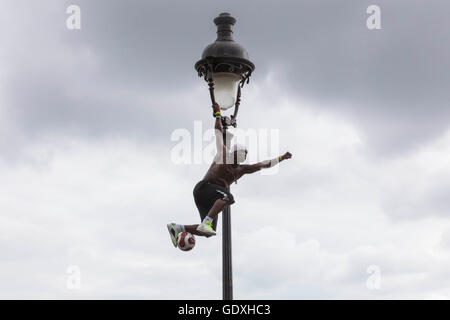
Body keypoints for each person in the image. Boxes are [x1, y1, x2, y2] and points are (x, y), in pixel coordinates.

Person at [167, 103, 292, 247]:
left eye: (245, 155)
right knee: (228, 197)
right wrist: (218, 113)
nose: (244, 156)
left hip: (211, 198)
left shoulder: (240, 170)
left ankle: (178, 227)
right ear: (234, 152)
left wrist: (281, 158)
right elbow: (218, 131)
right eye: (241, 153)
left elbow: (263, 165)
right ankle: (207, 221)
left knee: (209, 232)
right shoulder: (223, 154)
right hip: (204, 188)